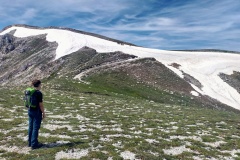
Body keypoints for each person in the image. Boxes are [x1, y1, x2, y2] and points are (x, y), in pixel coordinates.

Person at [28, 79, 46, 149]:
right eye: (40, 84)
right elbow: (41, 104)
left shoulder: (30, 91)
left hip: (30, 110)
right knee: (35, 128)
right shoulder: (39, 93)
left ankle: (30, 142)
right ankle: (34, 144)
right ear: (38, 85)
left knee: (30, 127)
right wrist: (43, 113)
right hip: (37, 112)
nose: (41, 86)